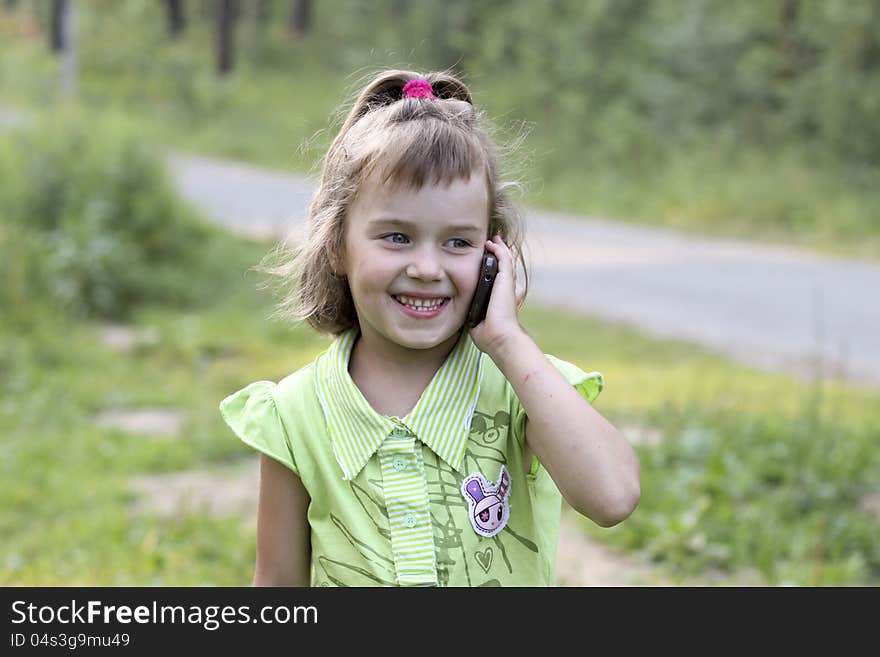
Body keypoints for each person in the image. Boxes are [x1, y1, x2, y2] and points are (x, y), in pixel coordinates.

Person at [220, 69, 640, 587]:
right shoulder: (293, 415)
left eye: (458, 242)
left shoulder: (523, 391)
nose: (426, 267)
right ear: (336, 246)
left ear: (495, 255)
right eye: (396, 236)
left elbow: (613, 497)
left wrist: (509, 343)